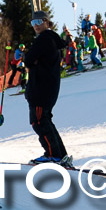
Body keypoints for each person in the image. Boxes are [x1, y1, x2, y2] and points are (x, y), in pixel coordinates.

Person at [24, 10, 72, 167]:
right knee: (44, 120)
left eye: (38, 22)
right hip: (48, 89)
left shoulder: (44, 39)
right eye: (33, 23)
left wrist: (31, 62)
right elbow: (32, 60)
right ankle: (60, 154)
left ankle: (53, 155)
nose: (35, 26)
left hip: (41, 90)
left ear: (46, 22)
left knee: (39, 121)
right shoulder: (51, 39)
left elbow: (28, 59)